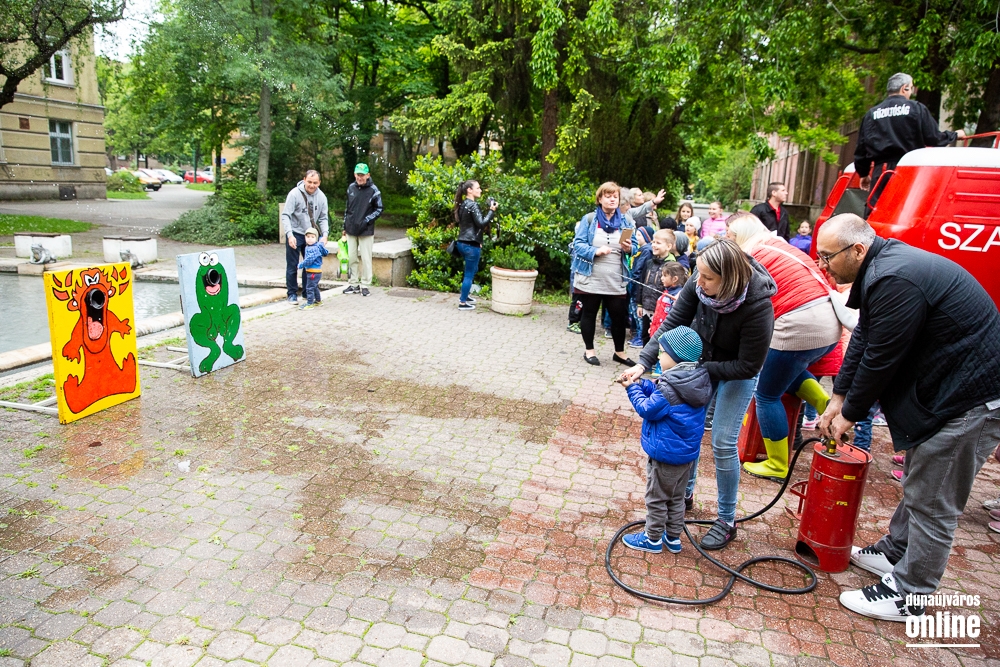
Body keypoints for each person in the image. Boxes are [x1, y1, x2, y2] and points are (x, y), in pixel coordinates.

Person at [814, 214, 1000, 623]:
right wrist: (838, 396)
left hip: (971, 398)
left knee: (934, 501)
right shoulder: (881, 270)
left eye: (827, 256)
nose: (822, 264)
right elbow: (864, 338)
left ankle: (910, 595)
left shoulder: (894, 277)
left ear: (857, 250)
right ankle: (895, 552)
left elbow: (883, 358)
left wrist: (850, 415)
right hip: (947, 391)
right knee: (920, 478)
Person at [621, 239, 776, 550]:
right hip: (701, 364)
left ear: (729, 280)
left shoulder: (758, 306)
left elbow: (748, 365)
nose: (699, 282)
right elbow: (673, 323)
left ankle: (726, 520)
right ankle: (683, 494)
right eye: (698, 275)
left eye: (708, 278)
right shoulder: (699, 281)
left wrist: (702, 370)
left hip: (736, 371)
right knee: (688, 427)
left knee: (722, 442)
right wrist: (643, 362)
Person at [726, 214, 842, 481]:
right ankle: (828, 409)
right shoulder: (778, 244)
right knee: (789, 371)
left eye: (730, 235)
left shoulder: (751, 254)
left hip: (798, 324)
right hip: (828, 324)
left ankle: (777, 464)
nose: (727, 240)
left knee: (767, 394)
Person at [620, 326, 711, 554]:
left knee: (656, 498)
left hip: (666, 455)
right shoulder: (694, 379)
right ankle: (673, 538)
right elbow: (661, 391)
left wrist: (632, 389)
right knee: (676, 498)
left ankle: (651, 539)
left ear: (675, 356)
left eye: (662, 352)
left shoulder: (670, 388)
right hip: (685, 456)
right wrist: (643, 383)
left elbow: (647, 409)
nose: (659, 357)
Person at [854, 73, 966, 210]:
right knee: (906, 210)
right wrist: (955, 135)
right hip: (910, 170)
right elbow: (934, 138)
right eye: (911, 88)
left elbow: (861, 149)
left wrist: (863, 173)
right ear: (904, 88)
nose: (911, 92)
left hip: (881, 172)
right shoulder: (916, 108)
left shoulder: (871, 114)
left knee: (875, 211)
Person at [571, 182, 639, 367]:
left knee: (619, 316)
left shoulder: (626, 221)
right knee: (589, 313)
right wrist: (595, 251)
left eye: (615, 196)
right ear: (600, 199)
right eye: (608, 196)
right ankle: (589, 351)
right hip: (591, 277)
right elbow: (578, 245)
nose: (612, 199)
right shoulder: (589, 219)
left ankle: (619, 353)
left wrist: (629, 248)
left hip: (616, 278)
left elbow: (634, 246)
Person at [281, 170, 329, 303]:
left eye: (315, 183)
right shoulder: (294, 194)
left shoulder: (322, 197)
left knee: (310, 264)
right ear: (304, 180)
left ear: (319, 183)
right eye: (309, 182)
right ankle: (292, 293)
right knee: (293, 265)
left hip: (311, 236)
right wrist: (289, 235)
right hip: (295, 233)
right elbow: (286, 215)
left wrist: (325, 235)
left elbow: (323, 218)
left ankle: (307, 292)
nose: (312, 185)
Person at [453, 180, 497, 311]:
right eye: (478, 188)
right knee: (469, 274)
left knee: (472, 270)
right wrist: (492, 210)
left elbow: (469, 225)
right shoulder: (472, 205)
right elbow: (481, 223)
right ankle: (462, 302)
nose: (480, 190)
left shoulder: (462, 204)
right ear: (469, 190)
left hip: (462, 243)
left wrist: (478, 241)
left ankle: (465, 296)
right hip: (470, 246)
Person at [342, 163, 383, 297]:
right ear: (355, 174)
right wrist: (344, 226)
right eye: (358, 175)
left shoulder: (374, 190)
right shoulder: (351, 188)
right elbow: (347, 209)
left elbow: (379, 209)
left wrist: (367, 220)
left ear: (368, 175)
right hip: (351, 229)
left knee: (366, 259)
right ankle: (353, 283)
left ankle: (365, 285)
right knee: (352, 257)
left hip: (366, 230)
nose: (360, 177)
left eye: (362, 175)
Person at [634, 230, 679, 346]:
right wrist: (639, 304)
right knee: (645, 335)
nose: (654, 245)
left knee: (658, 338)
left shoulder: (673, 266)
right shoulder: (649, 262)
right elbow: (641, 283)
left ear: (668, 246)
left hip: (662, 310)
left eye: (658, 243)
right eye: (653, 242)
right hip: (646, 308)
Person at [297, 228, 329, 309]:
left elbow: (309, 259)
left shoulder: (313, 248)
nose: (310, 239)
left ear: (316, 238)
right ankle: (318, 301)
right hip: (313, 271)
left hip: (313, 272)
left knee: (309, 288)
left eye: (312, 237)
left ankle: (309, 303)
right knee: (314, 287)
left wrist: (301, 265)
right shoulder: (312, 246)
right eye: (308, 237)